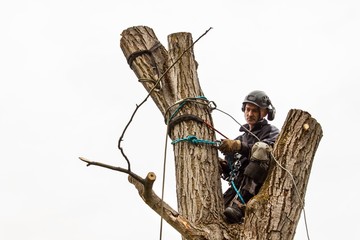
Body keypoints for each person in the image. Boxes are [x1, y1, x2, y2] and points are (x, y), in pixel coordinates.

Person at [218, 90, 280, 224]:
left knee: (261, 148)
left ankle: (241, 204)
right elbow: (233, 168)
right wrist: (224, 165)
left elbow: (266, 152)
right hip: (238, 184)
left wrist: (239, 146)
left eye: (254, 111)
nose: (249, 114)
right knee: (218, 213)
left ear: (264, 113)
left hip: (256, 185)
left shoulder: (271, 131)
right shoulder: (242, 137)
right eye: (247, 109)